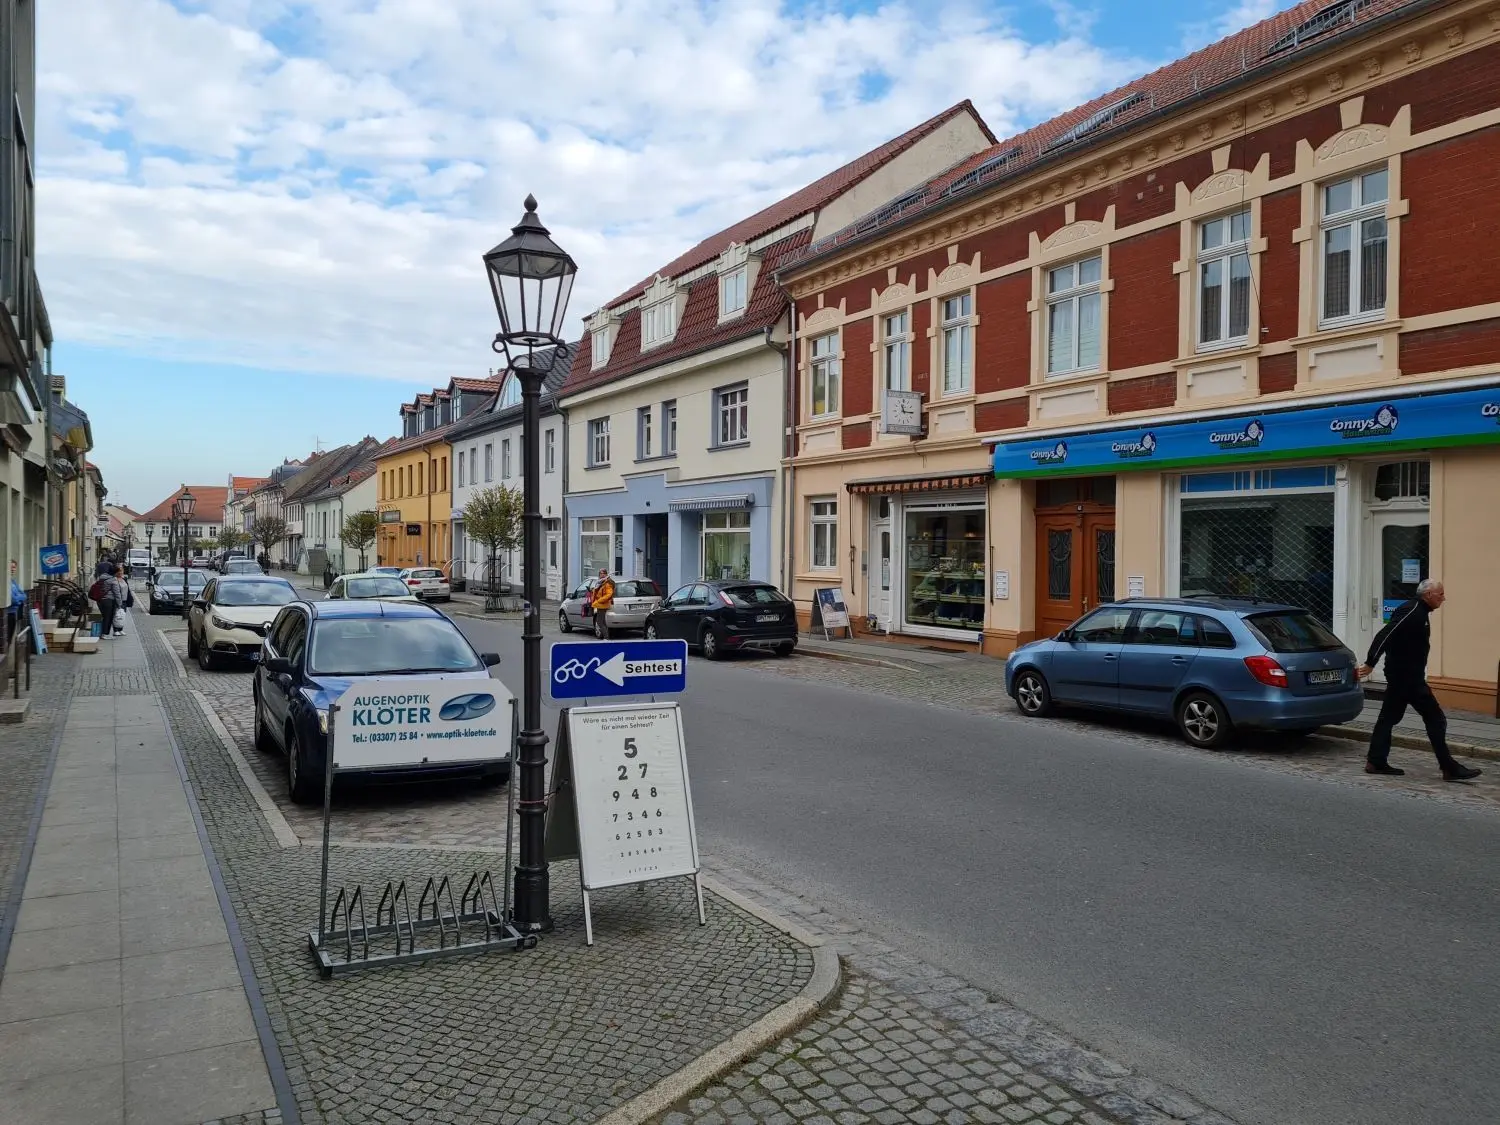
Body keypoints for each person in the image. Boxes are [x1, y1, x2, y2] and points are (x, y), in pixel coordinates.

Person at [1357, 578, 1481, 781]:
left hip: (1405, 675)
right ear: (1428, 595)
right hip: (1406, 678)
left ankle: (1376, 761)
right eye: (1441, 594)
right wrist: (1371, 662)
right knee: (1435, 718)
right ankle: (1449, 767)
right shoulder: (1412, 611)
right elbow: (1385, 634)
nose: (1443, 598)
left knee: (1388, 718)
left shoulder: (1419, 611)